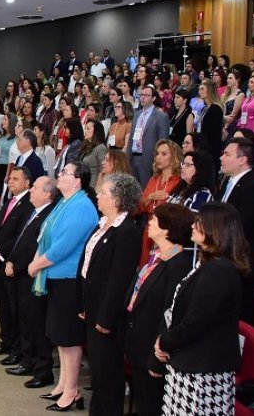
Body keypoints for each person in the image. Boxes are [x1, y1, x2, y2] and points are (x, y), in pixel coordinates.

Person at [155, 202, 249, 416]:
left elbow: (195, 323)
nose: (194, 226)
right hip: (191, 363)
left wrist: (164, 341)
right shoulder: (210, 265)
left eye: (200, 222)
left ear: (215, 228)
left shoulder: (220, 271)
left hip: (203, 369)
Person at [29, 161, 99, 412]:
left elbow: (63, 245)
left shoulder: (82, 206)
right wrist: (39, 259)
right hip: (56, 276)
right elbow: (46, 235)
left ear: (78, 180)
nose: (59, 175)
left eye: (65, 173)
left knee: (69, 338)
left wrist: (37, 264)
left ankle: (72, 390)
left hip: (70, 278)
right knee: (60, 336)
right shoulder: (64, 202)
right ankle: (63, 384)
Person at [77, 173, 143, 415]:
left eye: (103, 192)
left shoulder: (127, 231)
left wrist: (105, 317)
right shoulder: (102, 223)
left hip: (106, 314)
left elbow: (119, 279)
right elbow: (87, 265)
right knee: (98, 371)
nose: (99, 196)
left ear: (117, 199)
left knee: (108, 373)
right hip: (92, 306)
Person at [123, 203, 197, 416]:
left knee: (151, 404)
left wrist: (157, 356)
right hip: (137, 343)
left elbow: (169, 314)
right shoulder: (157, 257)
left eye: (154, 220)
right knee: (142, 400)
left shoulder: (178, 265)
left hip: (152, 348)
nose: (149, 223)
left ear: (167, 228)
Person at [5, 175, 57, 389]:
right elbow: (20, 239)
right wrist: (9, 259)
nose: (31, 191)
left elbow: (35, 248)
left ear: (47, 193)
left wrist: (17, 266)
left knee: (36, 324)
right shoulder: (33, 211)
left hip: (32, 275)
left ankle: (43, 370)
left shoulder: (49, 214)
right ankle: (28, 361)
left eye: (35, 188)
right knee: (25, 321)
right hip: (20, 271)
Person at [0, 167, 35, 366]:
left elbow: (19, 236)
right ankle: (5, 341)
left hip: (11, 262)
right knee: (3, 305)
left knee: (14, 309)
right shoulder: (9, 201)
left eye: (15, 179)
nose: (10, 181)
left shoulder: (28, 205)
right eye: (10, 178)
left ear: (27, 183)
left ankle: (16, 348)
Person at [219, 137, 254, 319]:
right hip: (224, 261)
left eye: (227, 154)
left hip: (240, 266)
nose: (221, 158)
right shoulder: (228, 182)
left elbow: (240, 227)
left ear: (242, 159)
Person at [139, 140, 183, 264]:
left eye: (164, 154)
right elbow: (139, 207)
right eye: (157, 154)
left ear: (174, 157)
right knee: (145, 266)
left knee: (161, 265)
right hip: (150, 230)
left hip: (168, 233)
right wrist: (150, 197)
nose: (158, 157)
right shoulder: (153, 179)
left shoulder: (179, 182)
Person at [130, 85, 170, 186]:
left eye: (146, 95)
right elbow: (132, 136)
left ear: (154, 98)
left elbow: (163, 141)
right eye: (141, 95)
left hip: (149, 159)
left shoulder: (161, 116)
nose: (143, 97)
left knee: (146, 189)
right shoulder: (137, 114)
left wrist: (158, 160)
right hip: (133, 157)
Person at [196, 81, 225, 171]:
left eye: (202, 89)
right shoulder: (205, 108)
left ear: (209, 91)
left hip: (211, 148)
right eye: (199, 89)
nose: (199, 91)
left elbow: (212, 132)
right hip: (203, 146)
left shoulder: (215, 109)